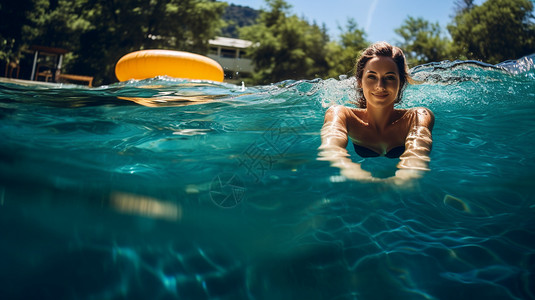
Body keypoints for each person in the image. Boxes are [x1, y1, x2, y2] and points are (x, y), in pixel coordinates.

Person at [318, 42, 434, 185]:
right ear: (360, 81)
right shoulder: (342, 113)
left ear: (401, 83)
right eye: (372, 77)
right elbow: (331, 147)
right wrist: (353, 171)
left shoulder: (417, 116)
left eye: (390, 77)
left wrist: (405, 177)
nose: (380, 86)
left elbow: (418, 151)